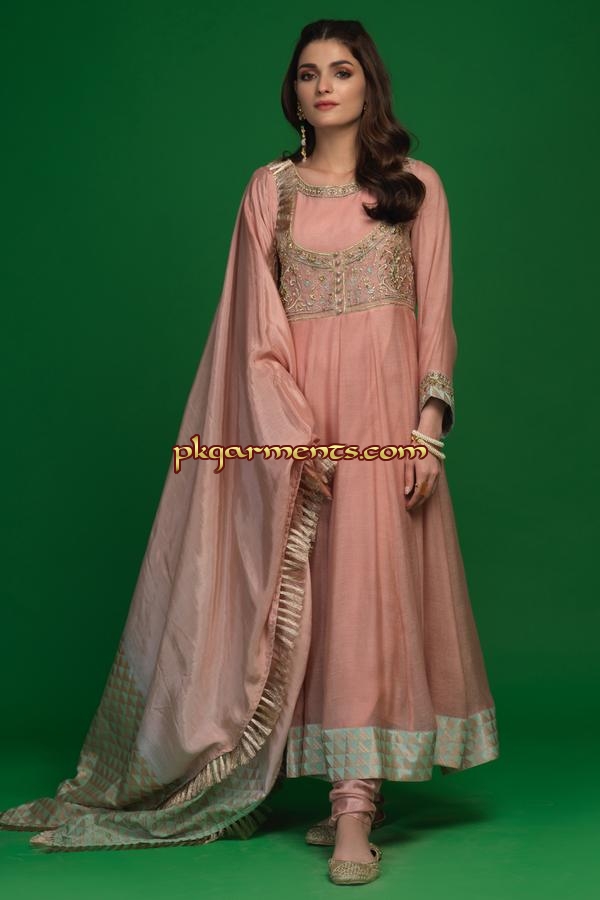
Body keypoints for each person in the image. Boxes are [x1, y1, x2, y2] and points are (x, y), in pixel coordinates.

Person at [0, 18, 499, 886]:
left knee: (370, 596)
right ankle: (329, 786)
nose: (324, 86)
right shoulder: (270, 191)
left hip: (385, 428)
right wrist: (291, 435)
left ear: (370, 85)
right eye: (308, 73)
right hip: (293, 430)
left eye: (341, 71)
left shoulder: (415, 187)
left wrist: (427, 431)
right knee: (305, 599)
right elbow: (250, 331)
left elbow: (436, 316)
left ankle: (355, 805)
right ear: (293, 93)